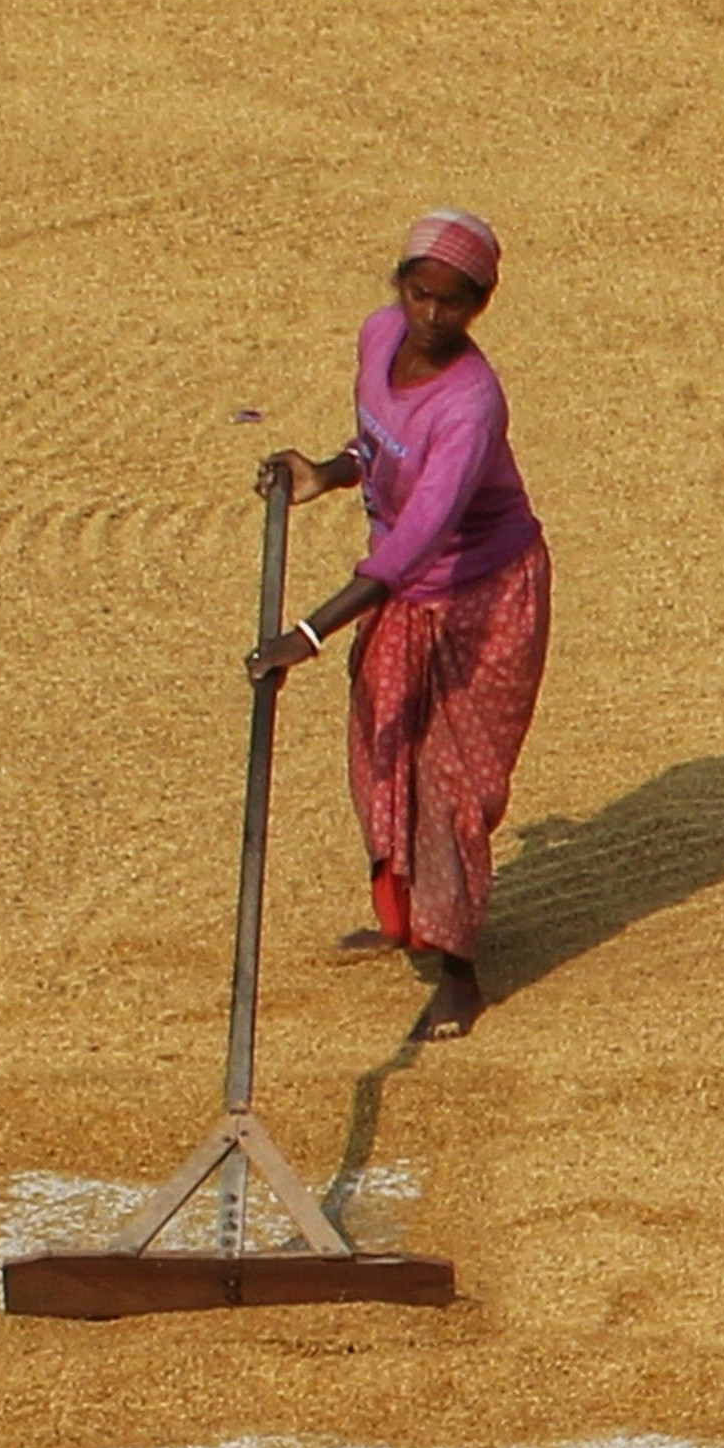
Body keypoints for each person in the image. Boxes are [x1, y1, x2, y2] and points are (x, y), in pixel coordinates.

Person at [245, 209, 552, 1043]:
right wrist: (326, 473)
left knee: (450, 780)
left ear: (479, 305)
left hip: (481, 598)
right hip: (402, 595)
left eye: (453, 303)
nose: (431, 317)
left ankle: (458, 974)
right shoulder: (378, 338)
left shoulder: (472, 406)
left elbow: (418, 539)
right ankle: (399, 915)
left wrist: (306, 636)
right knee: (383, 747)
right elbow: (379, 447)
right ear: (400, 288)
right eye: (420, 295)